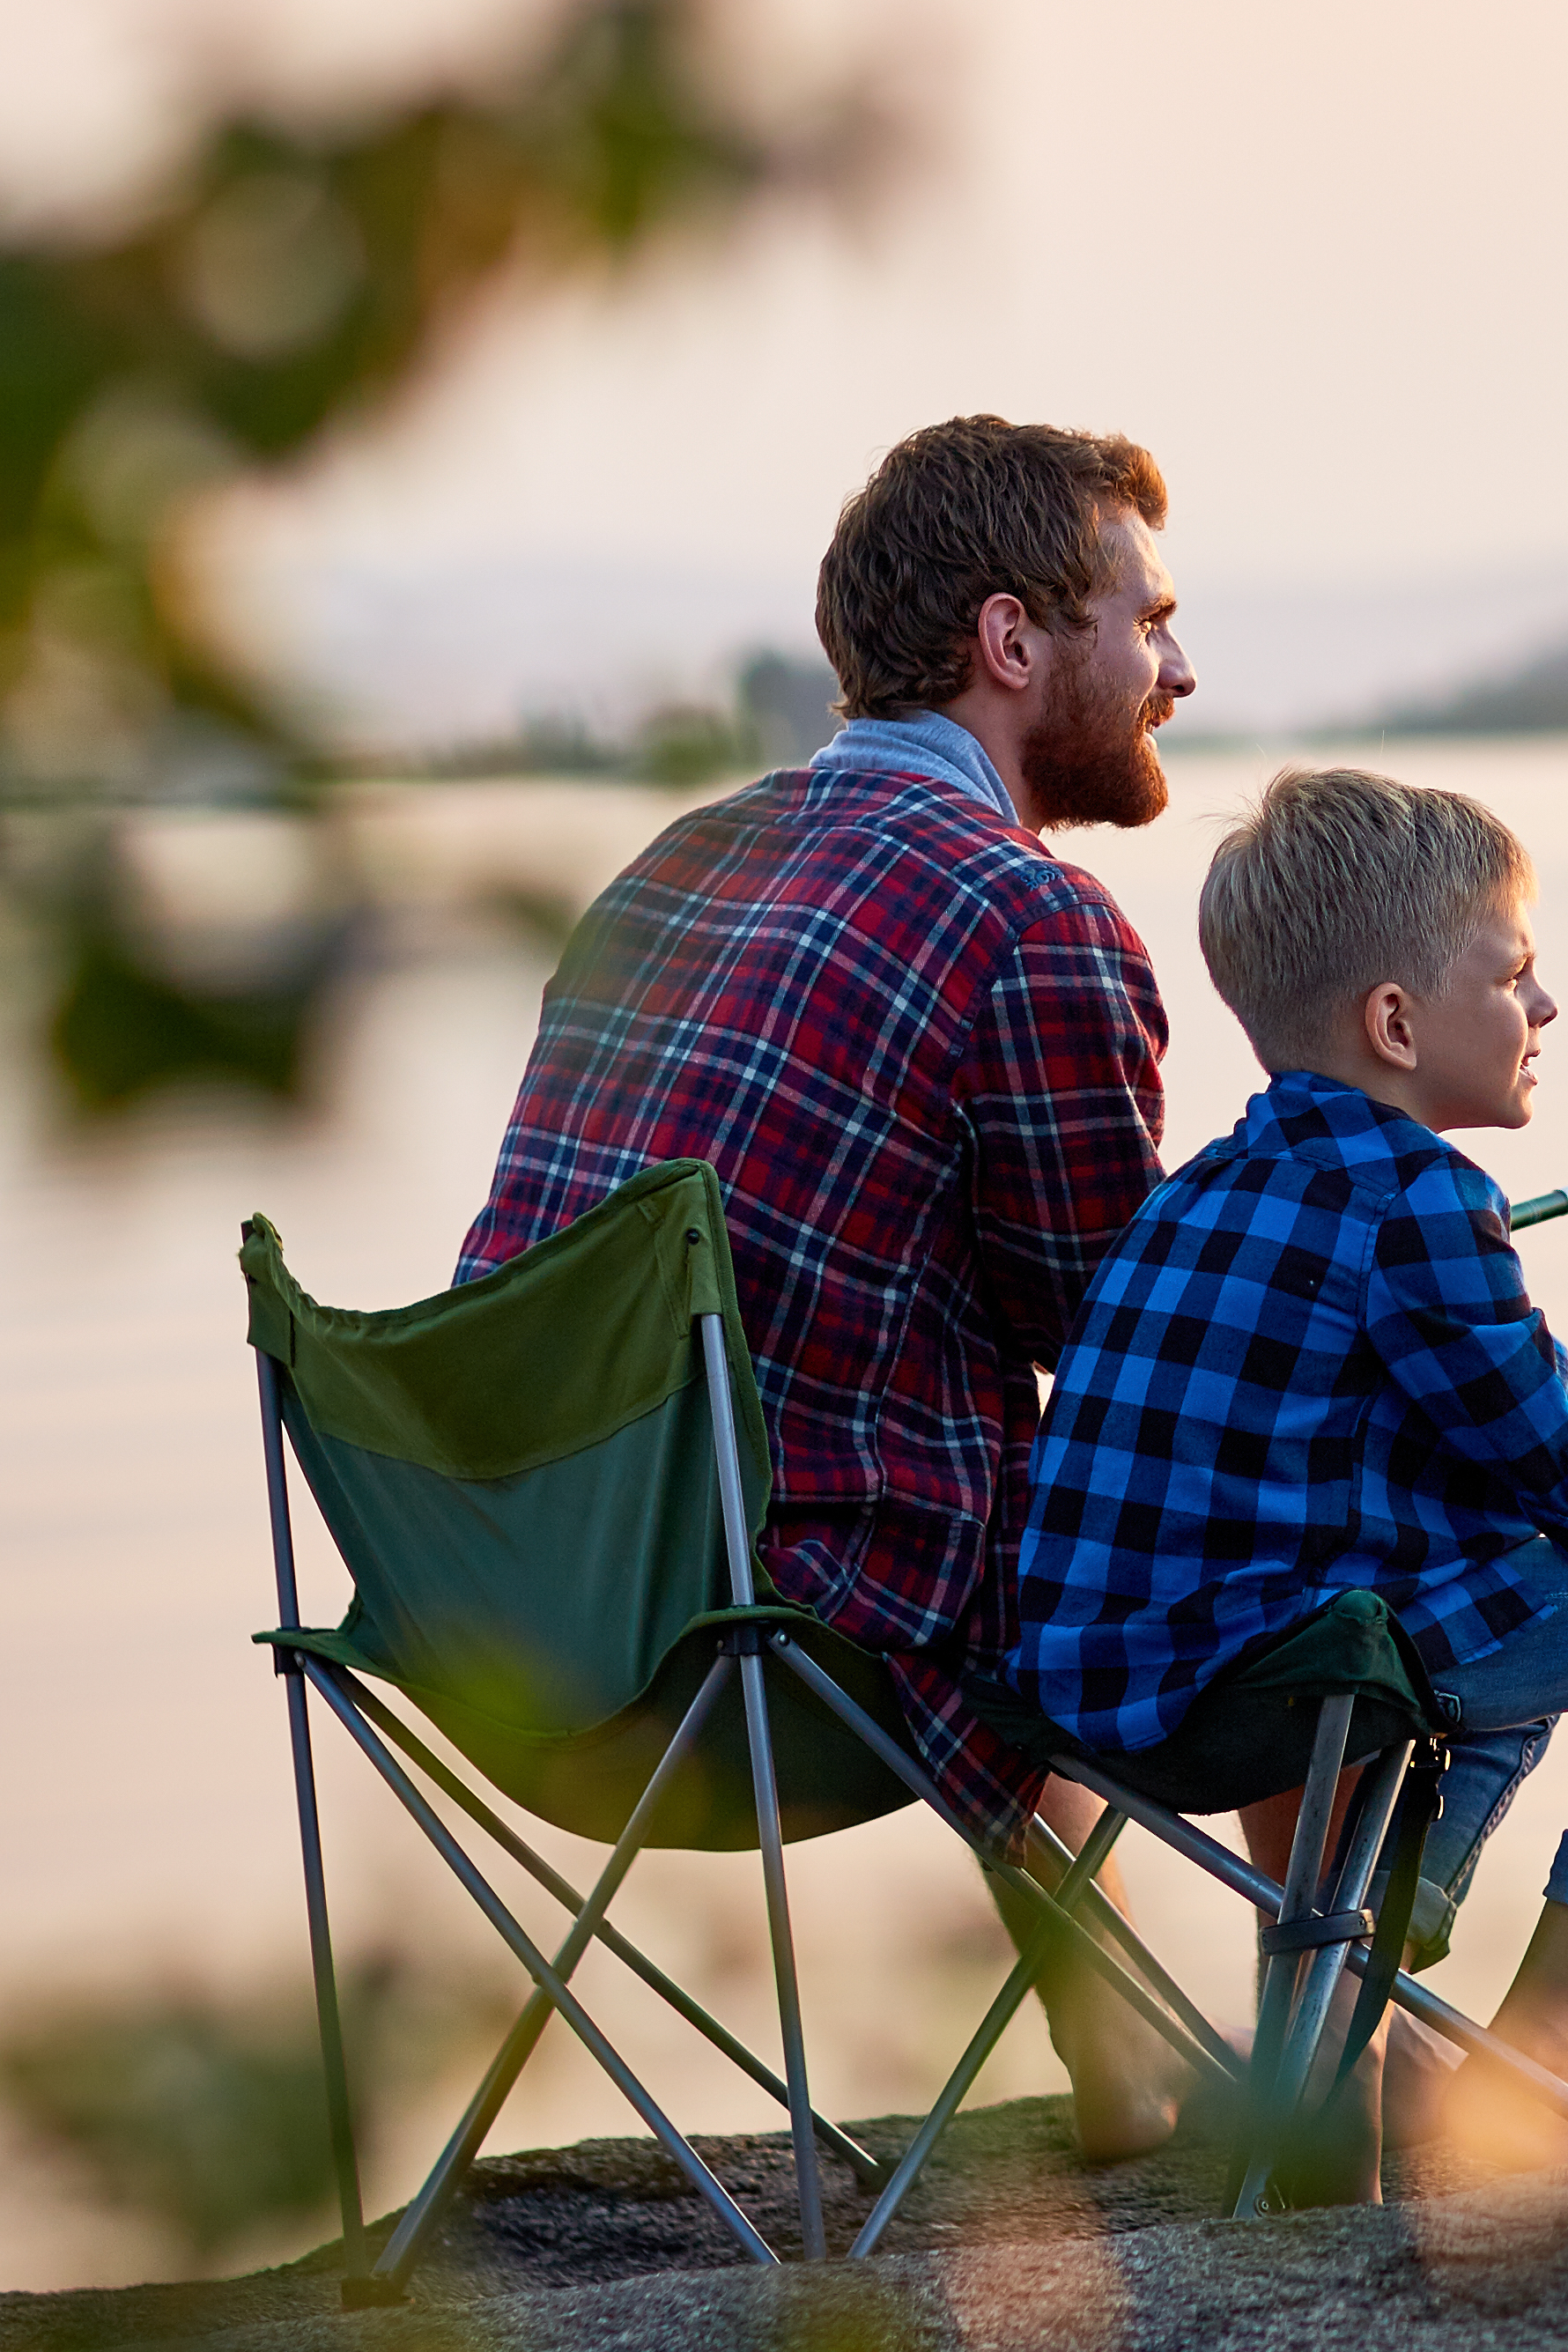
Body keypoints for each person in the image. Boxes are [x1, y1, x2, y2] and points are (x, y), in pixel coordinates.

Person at [453, 416, 1208, 2153]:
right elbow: (1116, 1369)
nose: (1180, 666)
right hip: (755, 1657)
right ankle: (1265, 2066)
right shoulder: (1033, 923)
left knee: (975, 1473)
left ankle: (1128, 2049)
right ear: (1016, 643)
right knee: (1162, 1501)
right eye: (1146, 620)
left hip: (505, 1610)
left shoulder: (672, 865)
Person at [1006, 765, 1568, 2171]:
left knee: (1492, 1558)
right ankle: (1547, 2031)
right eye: (1516, 975)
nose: (1545, 1009)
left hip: (1105, 1704)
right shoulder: (1421, 1199)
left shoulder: (1203, 1189)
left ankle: (1357, 2006)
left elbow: (1376, 1429)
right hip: (1285, 1690)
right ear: (1398, 1023)